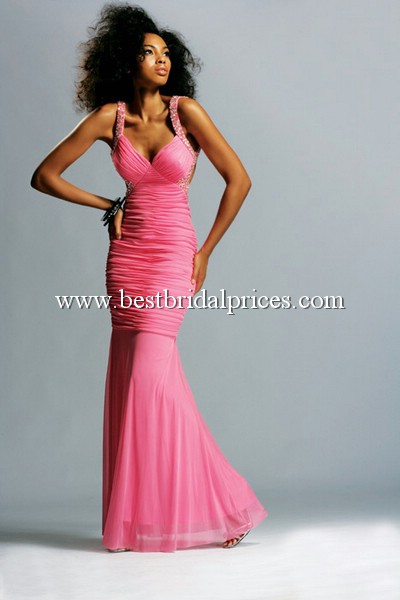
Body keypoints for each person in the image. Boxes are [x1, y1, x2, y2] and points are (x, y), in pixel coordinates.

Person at [31, 3, 268, 552]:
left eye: (166, 53)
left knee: (149, 379)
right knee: (132, 379)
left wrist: (205, 252)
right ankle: (135, 521)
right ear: (125, 60)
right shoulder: (109, 119)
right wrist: (107, 205)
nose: (162, 61)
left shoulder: (187, 113)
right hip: (128, 258)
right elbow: (44, 176)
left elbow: (239, 180)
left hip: (173, 254)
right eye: (149, 52)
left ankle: (226, 506)